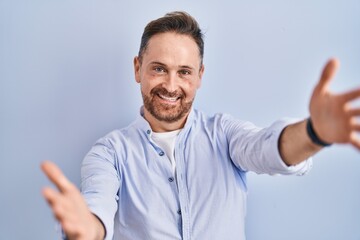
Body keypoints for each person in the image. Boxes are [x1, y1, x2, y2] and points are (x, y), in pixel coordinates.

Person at [41, 11, 360, 240]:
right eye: (158, 69)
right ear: (138, 69)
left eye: (184, 72)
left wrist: (314, 133)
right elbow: (95, 208)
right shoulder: (108, 154)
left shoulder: (224, 134)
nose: (170, 84)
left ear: (200, 76)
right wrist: (87, 229)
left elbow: (267, 148)